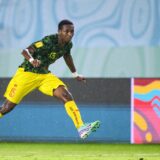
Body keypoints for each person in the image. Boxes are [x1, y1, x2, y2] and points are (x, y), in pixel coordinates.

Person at [0, 19, 100, 139]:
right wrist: (32, 60)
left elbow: (67, 56)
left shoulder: (68, 45)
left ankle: (81, 127)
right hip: (27, 74)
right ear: (59, 32)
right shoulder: (48, 41)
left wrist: (75, 74)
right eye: (66, 31)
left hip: (44, 76)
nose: (70, 34)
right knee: (7, 108)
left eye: (72, 31)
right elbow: (25, 51)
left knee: (66, 95)